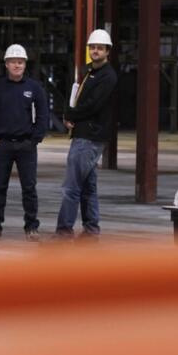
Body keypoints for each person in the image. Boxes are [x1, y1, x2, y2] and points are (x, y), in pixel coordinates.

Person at [0, 44, 49, 241]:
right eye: (13, 62)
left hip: (26, 146)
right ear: (6, 64)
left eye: (20, 62)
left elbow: (43, 114)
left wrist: (35, 139)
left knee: (29, 188)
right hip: (2, 146)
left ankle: (31, 228)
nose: (17, 65)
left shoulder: (34, 88)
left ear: (25, 64)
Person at [55, 29, 117, 239]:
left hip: (89, 138)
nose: (95, 51)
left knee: (71, 187)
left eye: (99, 48)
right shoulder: (91, 73)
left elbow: (93, 105)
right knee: (88, 188)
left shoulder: (107, 76)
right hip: (86, 134)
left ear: (107, 51)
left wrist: (70, 113)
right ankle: (91, 230)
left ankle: (64, 232)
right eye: (92, 47)